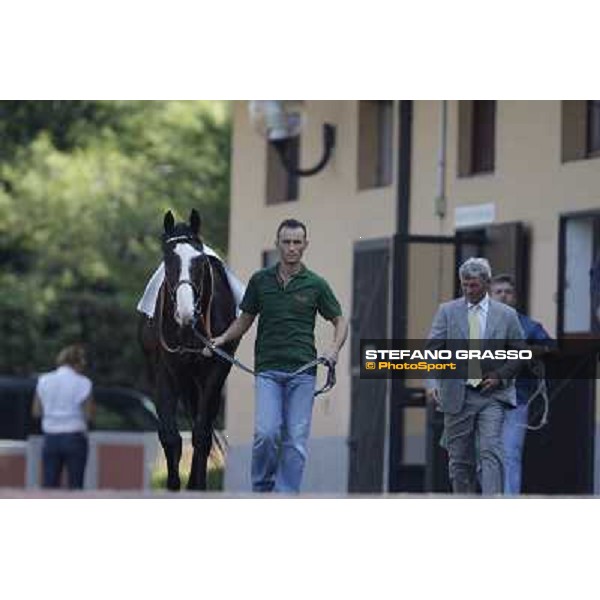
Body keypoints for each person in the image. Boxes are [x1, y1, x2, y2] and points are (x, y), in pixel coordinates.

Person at [210, 218, 348, 493]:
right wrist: (222, 338)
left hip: (303, 373)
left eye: (297, 242)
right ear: (278, 244)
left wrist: (333, 351)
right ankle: (262, 490)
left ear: (305, 245)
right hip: (268, 372)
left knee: (296, 440)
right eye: (287, 242)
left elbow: (340, 321)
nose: (292, 248)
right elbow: (245, 319)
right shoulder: (260, 281)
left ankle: (285, 497)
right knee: (266, 433)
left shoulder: (316, 284)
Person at [425, 258, 525, 495]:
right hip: (456, 393)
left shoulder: (507, 315)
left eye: (474, 286)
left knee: (491, 449)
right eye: (465, 285)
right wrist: (432, 383)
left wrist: (500, 376)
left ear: (487, 284)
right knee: (460, 458)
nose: (469, 290)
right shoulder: (447, 311)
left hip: (492, 394)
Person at [490, 274, 553, 495]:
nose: (503, 296)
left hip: (517, 399)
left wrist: (531, 352)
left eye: (508, 292)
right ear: (489, 296)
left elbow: (550, 347)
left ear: (514, 297)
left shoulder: (528, 325)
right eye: (498, 292)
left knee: (510, 453)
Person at [32, 344, 95, 489]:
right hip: (75, 436)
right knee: (75, 486)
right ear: (79, 362)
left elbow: (36, 411)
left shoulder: (44, 380)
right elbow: (89, 414)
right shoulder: (84, 383)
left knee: (49, 486)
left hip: (51, 437)